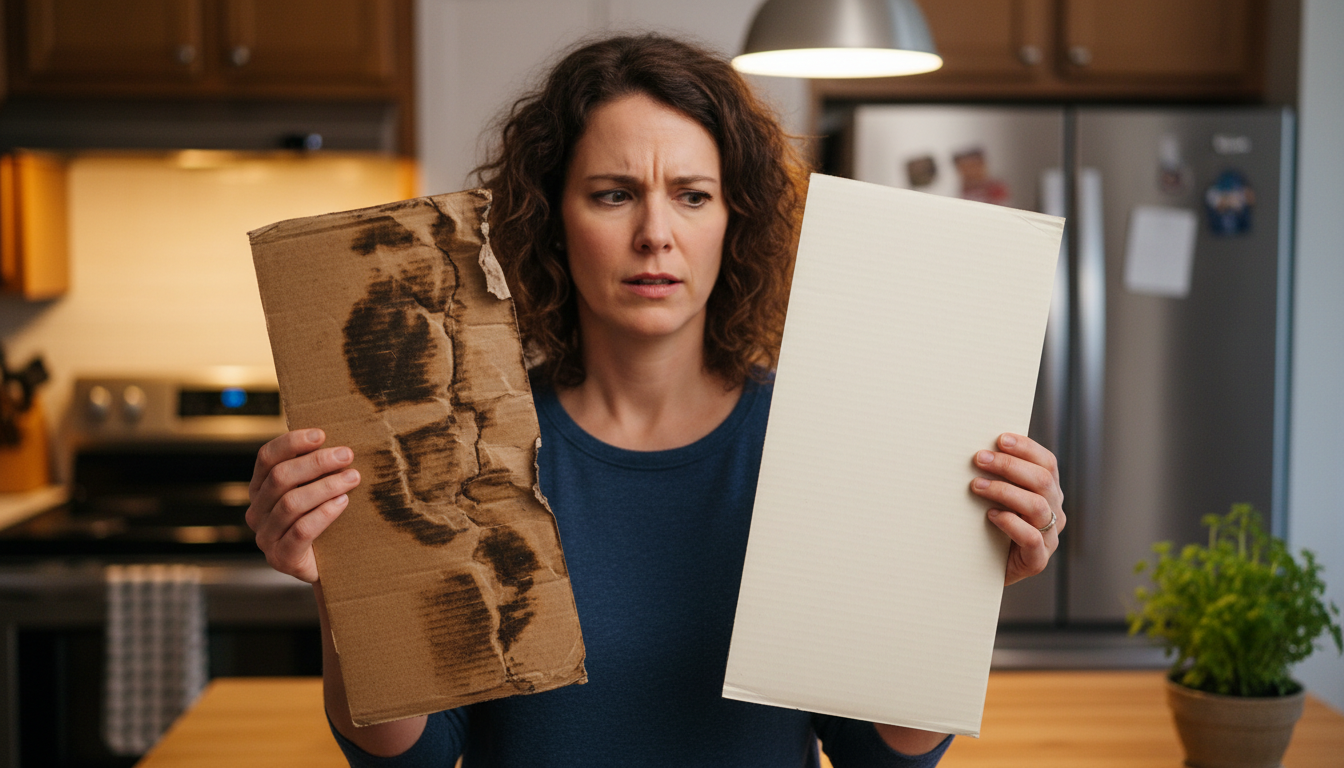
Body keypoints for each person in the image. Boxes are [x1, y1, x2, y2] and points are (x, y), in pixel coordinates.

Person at [245, 33, 1066, 768]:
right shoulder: (462, 446)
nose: (655, 234)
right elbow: (414, 756)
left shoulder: (820, 445)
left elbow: (879, 755)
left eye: (692, 195)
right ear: (553, 218)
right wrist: (340, 583)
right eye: (613, 194)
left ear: (734, 218)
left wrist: (955, 588)